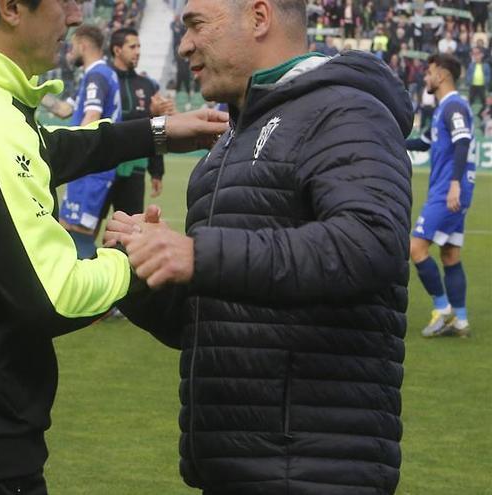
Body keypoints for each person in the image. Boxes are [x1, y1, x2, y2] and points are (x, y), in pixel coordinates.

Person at [0, 0, 229, 493]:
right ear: (12, 8)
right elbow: (56, 294)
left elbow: (41, 146)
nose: (76, 15)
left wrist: (156, 132)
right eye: (64, 1)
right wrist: (135, 255)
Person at [104, 0, 413, 493]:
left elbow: (369, 244)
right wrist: (142, 275)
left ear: (260, 17)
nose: (183, 44)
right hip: (235, 463)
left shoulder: (345, 109)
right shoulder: (230, 141)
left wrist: (198, 254)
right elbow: (218, 325)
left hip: (314, 467)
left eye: (196, 25)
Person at [405, 54, 475, 338]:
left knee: (416, 248)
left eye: (430, 72)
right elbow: (423, 143)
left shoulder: (454, 106)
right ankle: (459, 320)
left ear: (442, 75)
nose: (426, 77)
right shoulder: (442, 109)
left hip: (448, 190)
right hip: (448, 189)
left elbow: (462, 142)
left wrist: (455, 184)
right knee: (450, 255)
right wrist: (389, 140)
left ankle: (442, 307)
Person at [58, 23, 122, 259]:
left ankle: (93, 285)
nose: (70, 52)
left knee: (79, 232)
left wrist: (72, 151)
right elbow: (64, 110)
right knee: (66, 226)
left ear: (83, 45)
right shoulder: (96, 75)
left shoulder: (97, 75)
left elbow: (92, 116)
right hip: (89, 168)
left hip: (92, 169)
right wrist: (35, 93)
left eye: (72, 46)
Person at [104, 27, 173, 218]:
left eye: (139, 46)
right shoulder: (104, 78)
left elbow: (157, 126)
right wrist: (146, 115)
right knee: (87, 227)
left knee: (128, 231)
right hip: (101, 167)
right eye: (132, 47)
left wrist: (157, 171)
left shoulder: (148, 85)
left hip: (135, 169)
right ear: (117, 50)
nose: (138, 51)